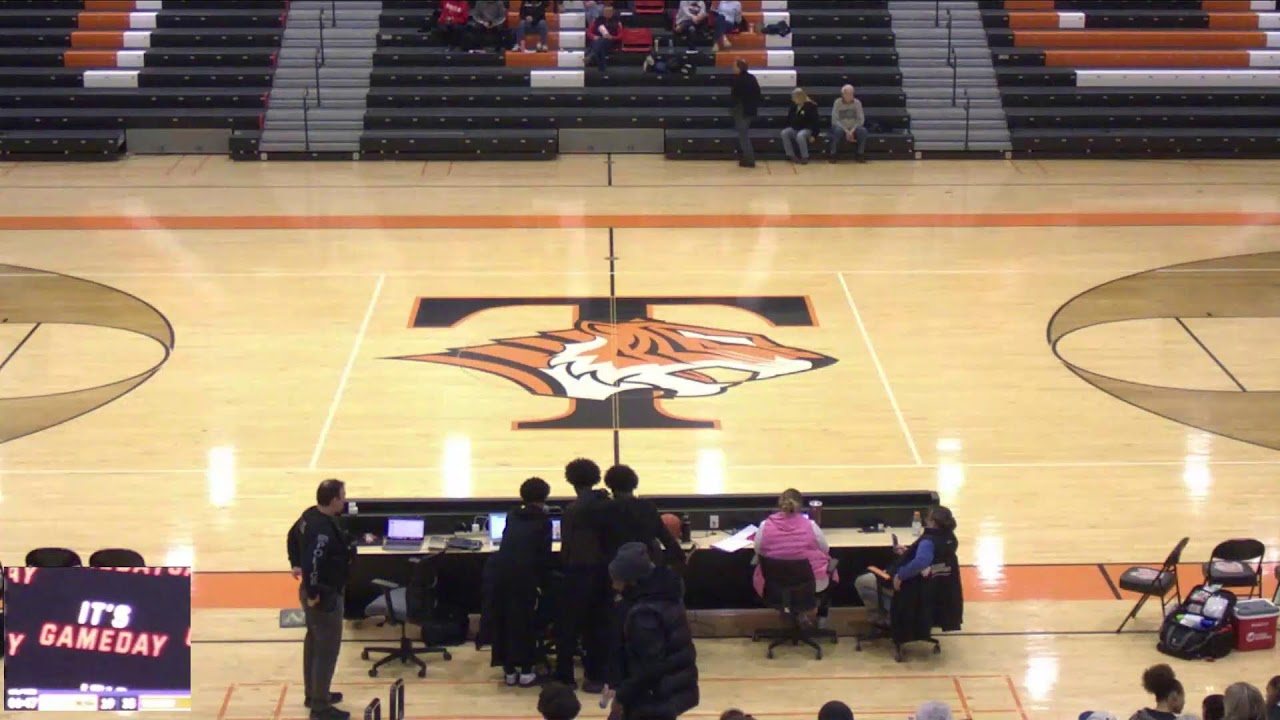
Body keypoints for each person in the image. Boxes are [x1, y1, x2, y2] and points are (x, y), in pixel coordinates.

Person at [607, 543, 699, 720]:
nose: (613, 585)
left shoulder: (644, 615)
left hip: (656, 695)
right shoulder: (666, 592)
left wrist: (622, 696)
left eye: (616, 579)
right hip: (675, 686)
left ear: (630, 580)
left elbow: (650, 668)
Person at [286, 479, 352, 720]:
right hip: (323, 596)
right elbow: (313, 564)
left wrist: (293, 561)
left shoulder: (309, 515)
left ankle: (314, 694)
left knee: (314, 643)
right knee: (326, 650)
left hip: (314, 593)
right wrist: (315, 594)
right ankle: (320, 707)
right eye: (343, 497)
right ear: (334, 500)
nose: (345, 501)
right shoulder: (322, 531)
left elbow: (292, 535)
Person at [555, 458, 620, 691]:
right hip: (604, 572)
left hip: (578, 572)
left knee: (568, 627)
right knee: (599, 625)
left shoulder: (572, 510)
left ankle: (565, 677)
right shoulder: (607, 504)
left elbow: (567, 546)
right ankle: (595, 676)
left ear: (570, 480)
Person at [486, 477, 554, 687]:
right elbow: (543, 555)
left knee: (505, 621)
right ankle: (526, 671)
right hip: (525, 579)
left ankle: (508, 671)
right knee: (526, 623)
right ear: (544, 498)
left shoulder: (512, 515)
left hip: (500, 576)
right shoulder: (544, 521)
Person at [854, 506, 958, 624]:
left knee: (862, 581)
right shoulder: (950, 538)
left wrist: (900, 575)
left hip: (913, 587)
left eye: (927, 519)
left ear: (932, 523)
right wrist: (908, 553)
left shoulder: (928, 541)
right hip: (932, 589)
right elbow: (936, 561)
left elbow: (921, 561)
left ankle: (889, 617)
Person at [752, 489, 837, 625]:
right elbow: (825, 549)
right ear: (800, 506)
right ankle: (819, 619)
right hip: (811, 585)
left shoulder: (764, 525)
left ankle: (793, 615)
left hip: (774, 585)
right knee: (828, 565)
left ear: (780, 504)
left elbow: (758, 550)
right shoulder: (811, 525)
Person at [604, 464, 685, 570]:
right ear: (634, 484)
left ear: (610, 486)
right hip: (646, 567)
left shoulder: (605, 509)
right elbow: (667, 540)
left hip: (618, 570)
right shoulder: (647, 507)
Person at [730, 58, 760, 168]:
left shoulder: (738, 80)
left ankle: (749, 159)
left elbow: (735, 96)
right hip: (750, 110)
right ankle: (747, 158)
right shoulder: (752, 78)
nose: (732, 68)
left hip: (742, 110)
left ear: (739, 68)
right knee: (743, 135)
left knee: (743, 136)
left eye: (734, 66)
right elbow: (757, 93)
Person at [828, 84, 869, 164]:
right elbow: (835, 120)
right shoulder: (837, 102)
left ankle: (860, 154)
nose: (851, 95)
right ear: (843, 94)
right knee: (837, 131)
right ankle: (833, 154)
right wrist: (847, 131)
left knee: (863, 131)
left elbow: (861, 119)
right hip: (841, 127)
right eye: (848, 94)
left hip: (853, 127)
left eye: (852, 93)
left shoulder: (857, 103)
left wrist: (852, 130)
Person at [779, 88, 821, 165]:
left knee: (800, 135)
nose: (792, 99)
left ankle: (804, 157)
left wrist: (814, 135)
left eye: (794, 97)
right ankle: (791, 155)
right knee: (784, 133)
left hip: (807, 129)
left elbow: (816, 122)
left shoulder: (811, 106)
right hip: (795, 128)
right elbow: (789, 118)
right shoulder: (793, 106)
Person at [585, 4, 622, 72]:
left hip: (610, 42)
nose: (608, 13)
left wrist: (612, 37)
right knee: (600, 44)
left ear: (612, 13)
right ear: (603, 12)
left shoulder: (617, 23)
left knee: (600, 42)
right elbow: (589, 32)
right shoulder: (597, 21)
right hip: (597, 41)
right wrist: (594, 37)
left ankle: (591, 56)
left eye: (609, 12)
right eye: (606, 12)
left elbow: (620, 36)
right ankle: (602, 69)